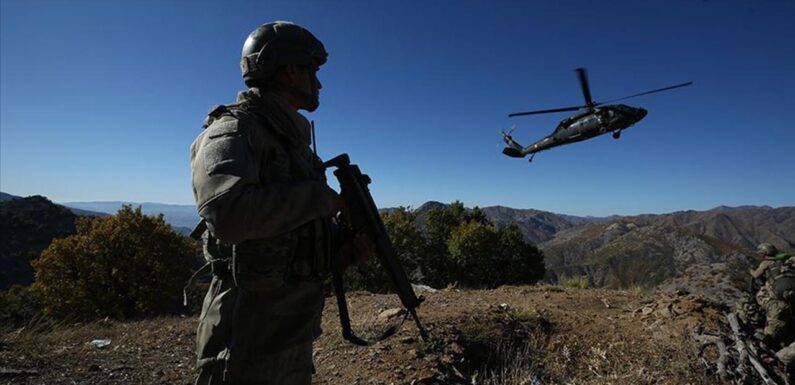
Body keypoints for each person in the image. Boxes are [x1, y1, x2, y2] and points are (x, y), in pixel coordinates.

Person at [189, 21, 368, 384]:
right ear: (289, 71)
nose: (318, 83)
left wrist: (342, 250)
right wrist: (319, 199)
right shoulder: (234, 131)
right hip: (244, 339)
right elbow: (229, 215)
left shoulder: (292, 143)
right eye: (312, 71)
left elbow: (288, 238)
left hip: (288, 332)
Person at [748, 243, 795, 368]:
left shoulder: (766, 263)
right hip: (791, 299)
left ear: (764, 253)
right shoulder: (785, 261)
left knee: (770, 334)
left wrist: (750, 270)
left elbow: (756, 275)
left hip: (777, 304)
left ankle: (770, 357)